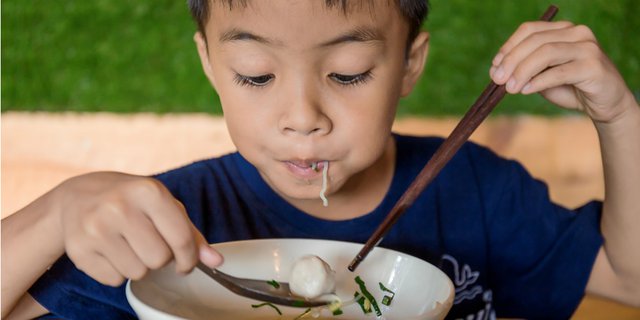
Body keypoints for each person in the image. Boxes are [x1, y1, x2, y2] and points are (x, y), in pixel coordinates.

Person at [2, 0, 639, 319]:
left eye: (348, 72)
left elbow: (627, 277)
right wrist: (55, 215)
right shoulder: (172, 227)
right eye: (255, 76)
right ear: (210, 67)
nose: (303, 116)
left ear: (409, 64)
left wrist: (620, 118)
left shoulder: (480, 192)